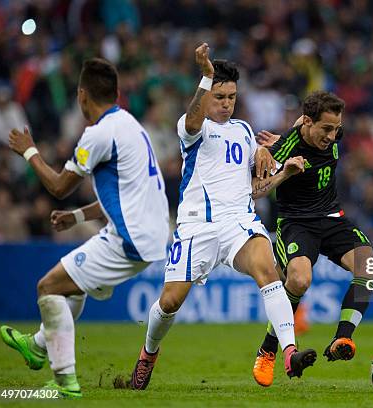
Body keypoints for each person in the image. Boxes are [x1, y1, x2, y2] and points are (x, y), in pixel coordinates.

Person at [126, 43, 315, 391]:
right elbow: (194, 119)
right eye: (220, 96)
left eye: (231, 97)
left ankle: (288, 352)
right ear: (206, 94)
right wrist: (206, 78)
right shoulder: (192, 126)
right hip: (197, 227)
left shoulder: (244, 131)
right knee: (169, 302)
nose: (226, 103)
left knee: (268, 269)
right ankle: (148, 353)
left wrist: (284, 172)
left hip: (238, 224)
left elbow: (256, 190)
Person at [0, 58, 170, 398]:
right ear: (117, 93)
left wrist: (29, 151)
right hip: (150, 233)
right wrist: (77, 217)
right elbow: (124, 196)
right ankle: (37, 345)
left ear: (81, 96)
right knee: (71, 288)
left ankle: (64, 383)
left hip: (130, 239)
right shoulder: (130, 124)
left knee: (48, 287)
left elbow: (59, 187)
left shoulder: (98, 134)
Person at [252, 91, 373, 387]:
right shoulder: (283, 149)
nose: (333, 136)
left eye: (336, 129)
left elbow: (304, 125)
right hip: (296, 223)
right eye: (326, 129)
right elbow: (256, 190)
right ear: (309, 121)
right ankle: (268, 351)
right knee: (299, 281)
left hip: (332, 217)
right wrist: (284, 172)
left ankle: (342, 338)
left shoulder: (324, 128)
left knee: (367, 267)